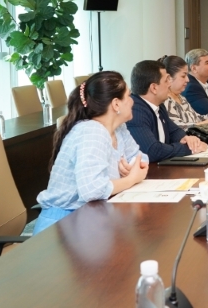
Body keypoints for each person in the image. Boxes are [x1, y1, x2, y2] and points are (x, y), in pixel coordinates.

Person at [34, 72, 149, 233]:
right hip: (63, 226)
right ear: (116, 104)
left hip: (93, 218)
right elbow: (92, 191)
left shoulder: (119, 128)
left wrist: (132, 166)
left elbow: (141, 157)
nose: (133, 101)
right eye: (129, 96)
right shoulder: (92, 131)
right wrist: (131, 178)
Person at [126, 60, 208, 163]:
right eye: (166, 81)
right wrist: (189, 149)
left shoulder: (159, 105)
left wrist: (187, 139)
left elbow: (174, 131)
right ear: (154, 88)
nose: (170, 84)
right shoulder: (136, 111)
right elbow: (153, 151)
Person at [160, 55, 208, 129]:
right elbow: (179, 128)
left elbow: (198, 118)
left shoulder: (181, 98)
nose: (187, 80)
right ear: (169, 78)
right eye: (183, 76)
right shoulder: (166, 100)